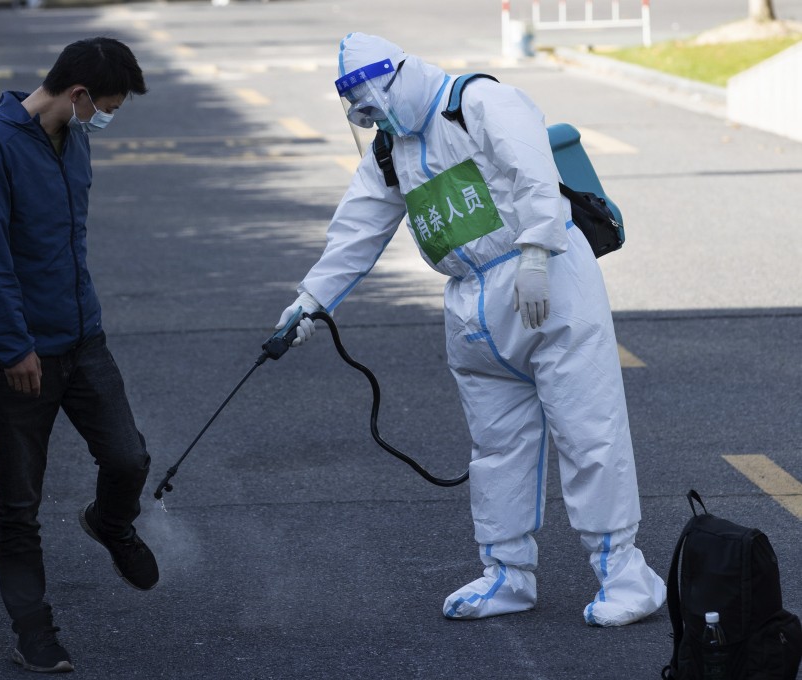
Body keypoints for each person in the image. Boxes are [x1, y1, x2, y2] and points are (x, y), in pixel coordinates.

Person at [276, 33, 666, 627]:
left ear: (399, 75)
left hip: (547, 283)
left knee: (588, 432)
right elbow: (357, 228)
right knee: (496, 447)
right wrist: (310, 301)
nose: (375, 117)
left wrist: (536, 252)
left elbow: (532, 169)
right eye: (363, 111)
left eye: (376, 102)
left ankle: (625, 575)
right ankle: (507, 573)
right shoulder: (391, 149)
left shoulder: (479, 102)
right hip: (471, 300)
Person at [0, 37, 157, 673]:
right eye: (105, 107)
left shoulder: (77, 138)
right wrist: (14, 347)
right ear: (77, 95)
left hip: (82, 338)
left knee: (129, 457)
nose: (106, 118)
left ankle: (110, 523)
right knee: (19, 502)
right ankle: (34, 632)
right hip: (18, 353)